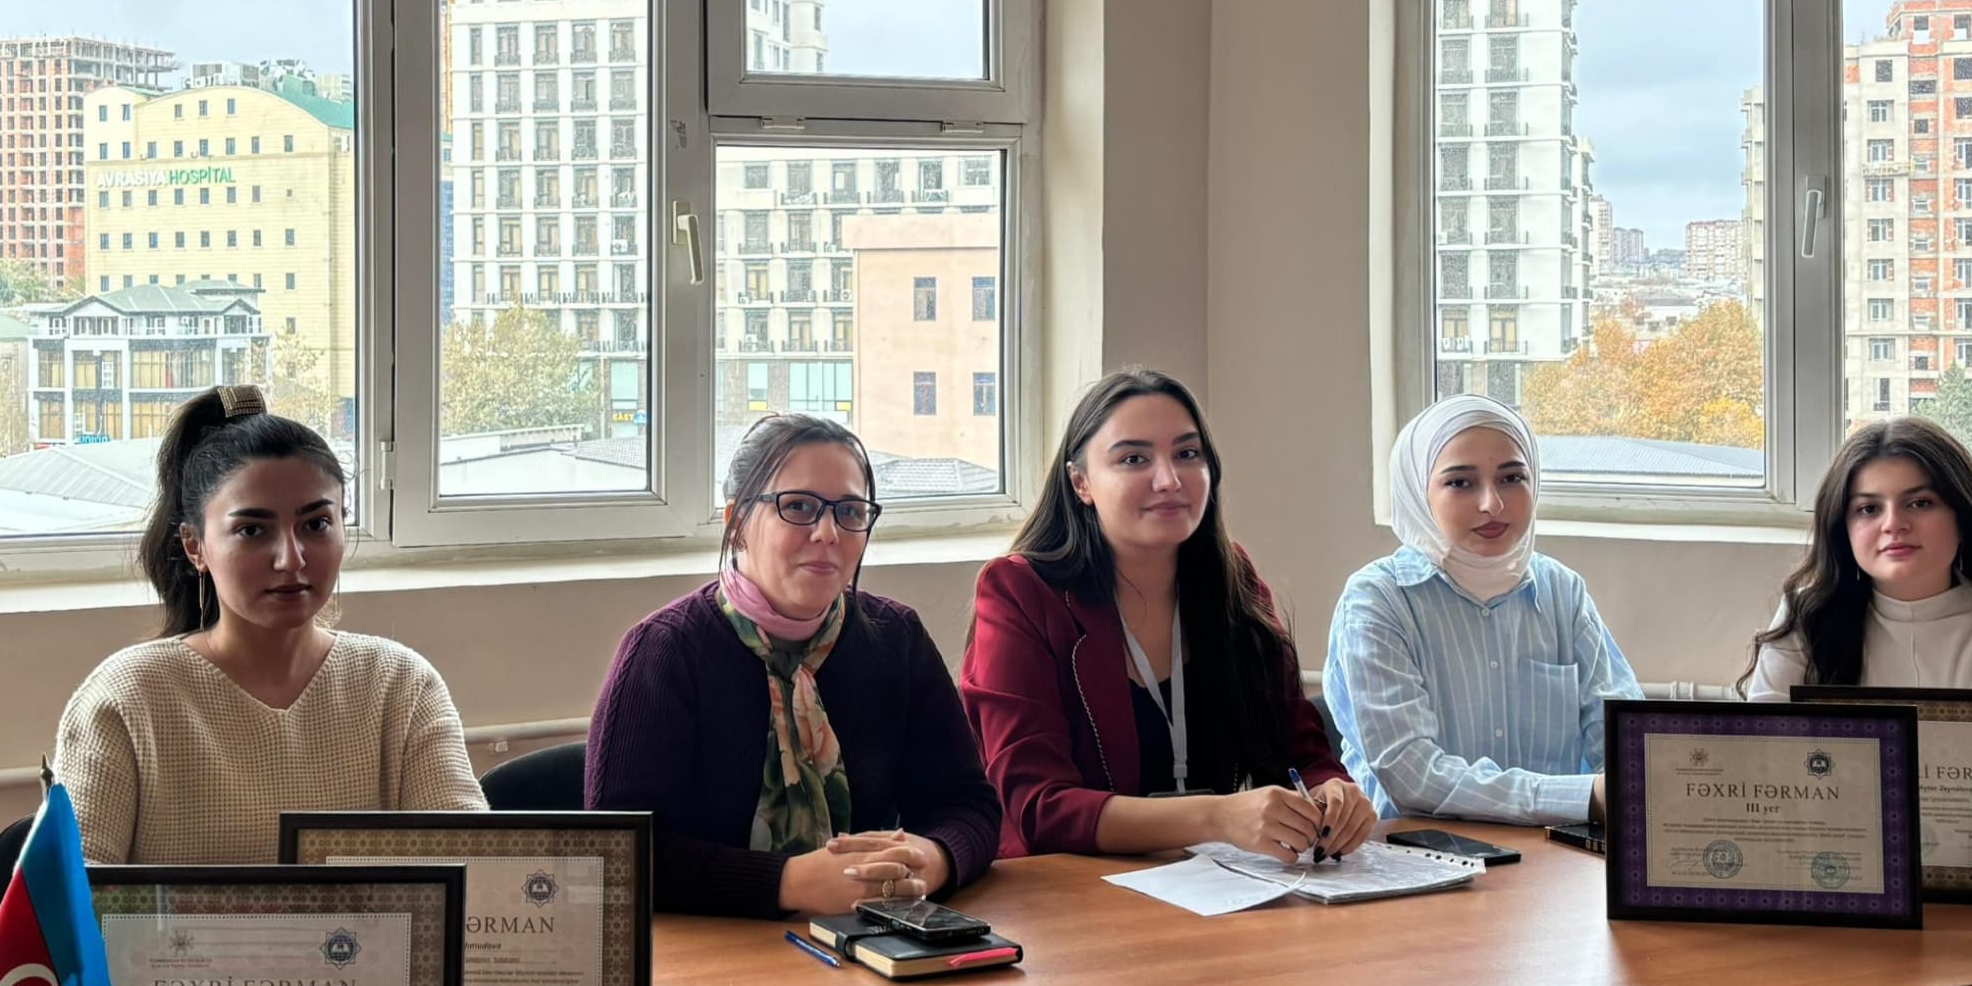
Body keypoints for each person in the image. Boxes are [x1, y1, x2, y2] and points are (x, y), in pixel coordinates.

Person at [585, 414, 1000, 918]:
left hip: (868, 946)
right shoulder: (663, 653)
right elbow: (619, 857)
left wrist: (931, 860)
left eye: (849, 511)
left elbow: (968, 806)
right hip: (712, 964)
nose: (828, 532)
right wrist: (789, 882)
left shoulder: (896, 638)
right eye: (799, 507)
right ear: (736, 522)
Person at [53, 385, 483, 864]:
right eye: (252, 530)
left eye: (316, 524)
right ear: (196, 546)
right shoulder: (128, 696)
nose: (291, 558)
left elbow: (474, 877)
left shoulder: (401, 685)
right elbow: (68, 904)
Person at [960, 369, 1374, 859]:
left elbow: (1301, 753)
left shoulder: (1232, 577)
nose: (1169, 479)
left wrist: (1332, 794)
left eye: (1187, 454)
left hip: (1214, 892)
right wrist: (1216, 816)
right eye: (1134, 458)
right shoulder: (1020, 591)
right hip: (1068, 896)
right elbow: (1038, 807)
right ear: (1081, 482)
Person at [1324, 396, 1639, 827]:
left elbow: (1628, 749)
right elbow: (1412, 776)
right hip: (1419, 870)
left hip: (1558, 869)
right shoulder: (1378, 601)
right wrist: (1584, 797)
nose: (1492, 503)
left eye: (1512, 477)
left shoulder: (1563, 591)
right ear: (1418, 492)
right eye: (1460, 483)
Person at [1740, 416, 1972, 697]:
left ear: (1963, 515)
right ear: (1842, 529)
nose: (1893, 524)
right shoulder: (1805, 616)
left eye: (1919, 503)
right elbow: (1768, 756)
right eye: (1869, 509)